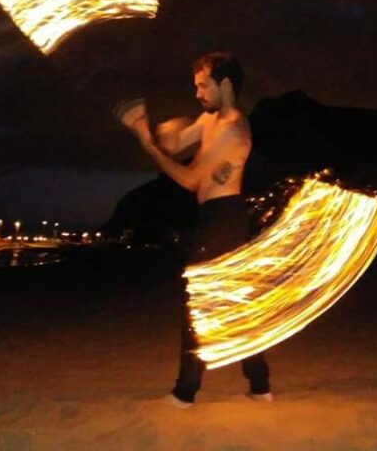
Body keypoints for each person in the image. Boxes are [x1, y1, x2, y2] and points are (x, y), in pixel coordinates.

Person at [116, 51, 272, 408]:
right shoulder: (211, 119)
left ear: (226, 84)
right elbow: (177, 143)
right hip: (218, 217)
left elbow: (189, 178)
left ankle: (185, 393)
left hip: (223, 218)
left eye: (204, 85)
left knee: (198, 303)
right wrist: (157, 133)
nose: (198, 93)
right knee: (237, 305)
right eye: (196, 86)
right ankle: (261, 385)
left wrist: (147, 146)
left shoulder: (232, 129)